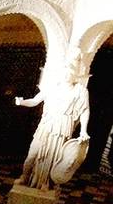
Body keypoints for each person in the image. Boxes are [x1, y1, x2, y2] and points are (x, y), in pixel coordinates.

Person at [14, 49, 91, 191]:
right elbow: (35, 101)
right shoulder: (52, 87)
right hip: (47, 125)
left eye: (71, 72)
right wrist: (22, 102)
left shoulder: (80, 91)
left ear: (75, 74)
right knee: (33, 154)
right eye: (66, 72)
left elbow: (84, 111)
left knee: (53, 157)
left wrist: (83, 131)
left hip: (62, 127)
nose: (68, 75)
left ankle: (46, 182)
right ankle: (25, 176)